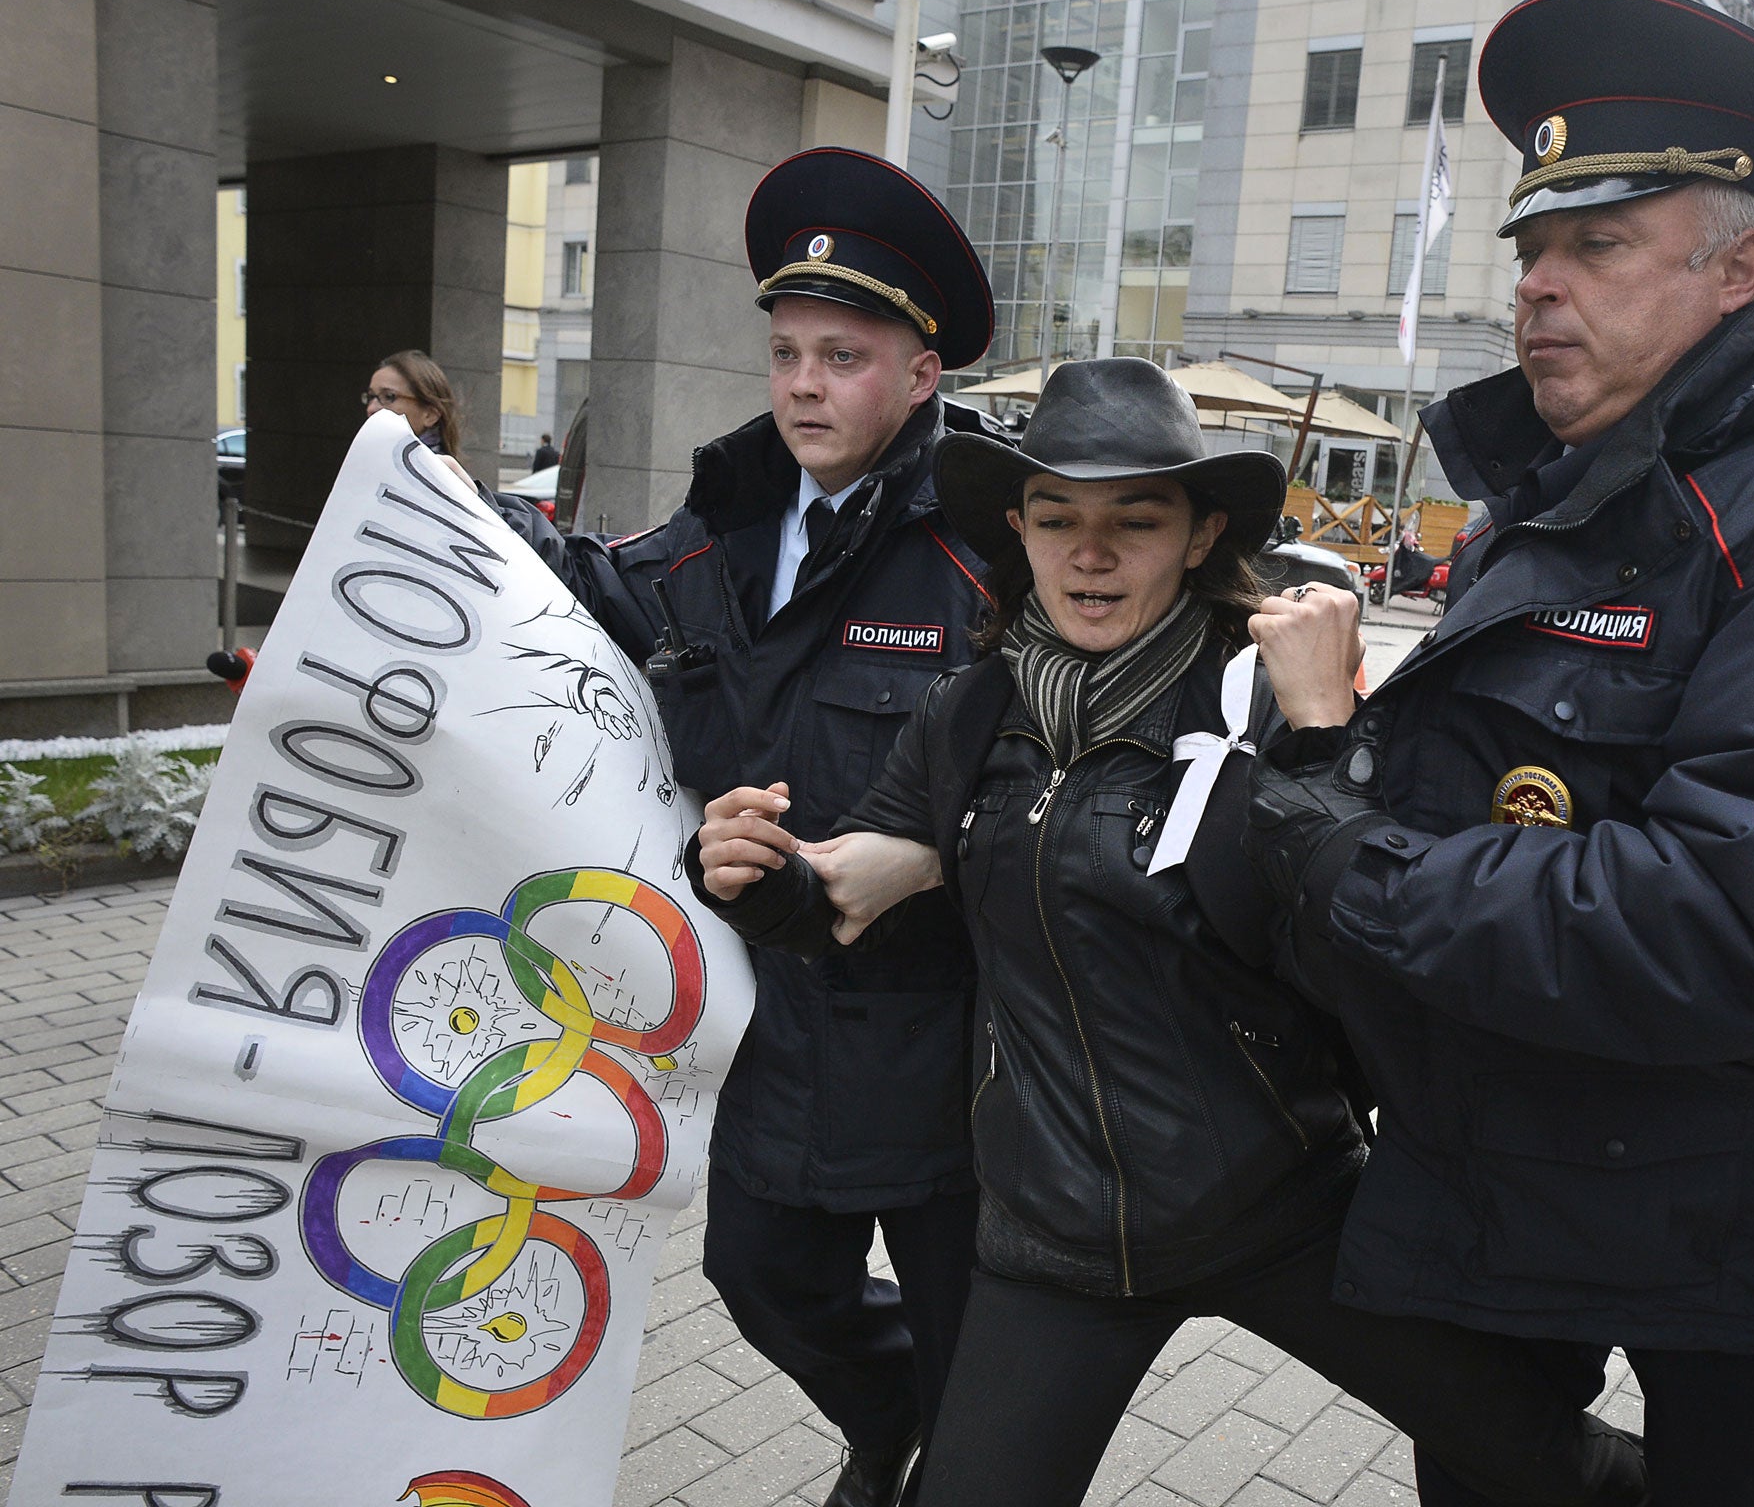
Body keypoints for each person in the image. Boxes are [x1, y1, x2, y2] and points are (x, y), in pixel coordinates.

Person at [1242, 0, 1754, 1507]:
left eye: (1597, 246)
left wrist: (1348, 849)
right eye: (1531, 248)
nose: (1539, 288)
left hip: (1735, 1231)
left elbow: (1733, 919)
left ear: (1736, 269)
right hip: (1506, 1171)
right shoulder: (1554, 492)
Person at [690, 358, 1649, 1507]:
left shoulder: (1257, 700)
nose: (1088, 554)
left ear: (1198, 537)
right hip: (1053, 1240)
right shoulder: (972, 712)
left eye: (1132, 521)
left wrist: (1322, 731)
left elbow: (1373, 942)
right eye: (1057, 519)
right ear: (1020, 528)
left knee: (1553, 1466)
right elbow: (857, 882)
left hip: (1281, 1205)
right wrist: (760, 876)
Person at [492, 147, 1006, 1507]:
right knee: (765, 1281)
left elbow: (1055, 764)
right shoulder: (722, 530)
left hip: (952, 1040)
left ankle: (934, 1443)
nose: (800, 386)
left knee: (983, 1369)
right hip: (779, 1028)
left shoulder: (988, 547)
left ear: (921, 373)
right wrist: (438, 524)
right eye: (785, 352)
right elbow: (595, 598)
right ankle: (886, 1414)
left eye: (841, 356)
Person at [365, 349, 464, 465]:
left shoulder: (441, 475)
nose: (371, 409)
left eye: (389, 396)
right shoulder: (370, 463)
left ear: (430, 414)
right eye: (371, 397)